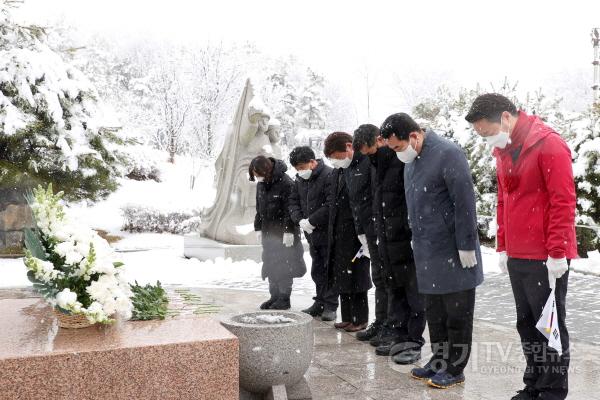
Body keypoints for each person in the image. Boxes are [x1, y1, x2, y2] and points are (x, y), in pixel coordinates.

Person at [466, 93, 577, 400]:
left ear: (505, 117)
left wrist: (557, 252)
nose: (488, 141)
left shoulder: (549, 144)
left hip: (545, 256)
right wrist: (503, 245)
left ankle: (553, 390)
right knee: (526, 324)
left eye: (487, 133)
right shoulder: (505, 150)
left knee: (549, 326)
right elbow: (504, 200)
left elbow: (563, 201)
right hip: (518, 254)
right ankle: (534, 384)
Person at [381, 113, 484, 389]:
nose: (396, 154)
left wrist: (466, 244)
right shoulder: (411, 162)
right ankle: (439, 360)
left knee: (457, 315)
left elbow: (464, 201)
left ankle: (455, 367)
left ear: (414, 136)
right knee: (435, 314)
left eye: (397, 147)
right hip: (427, 252)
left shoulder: (448, 153)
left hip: (453, 250)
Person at [354, 124, 425, 364]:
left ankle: (412, 340)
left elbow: (408, 200)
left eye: (372, 150)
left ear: (380, 141)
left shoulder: (401, 160)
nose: (371, 155)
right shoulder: (378, 165)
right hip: (386, 238)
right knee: (394, 289)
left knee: (412, 293)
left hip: (405, 238)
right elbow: (377, 201)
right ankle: (397, 333)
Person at [325, 127, 386, 340]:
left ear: (349, 147)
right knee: (343, 276)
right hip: (343, 231)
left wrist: (366, 230)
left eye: (336, 157)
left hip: (360, 231)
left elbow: (369, 197)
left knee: (358, 277)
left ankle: (361, 319)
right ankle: (348, 316)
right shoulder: (343, 170)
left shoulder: (366, 162)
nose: (336, 162)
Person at [250, 155, 307, 310]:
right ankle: (274, 296)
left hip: (284, 233)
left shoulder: (286, 183)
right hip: (269, 232)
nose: (258, 178)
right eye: (255, 175)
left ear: (267, 170)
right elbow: (259, 209)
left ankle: (284, 298)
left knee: (284, 265)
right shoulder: (261, 185)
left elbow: (291, 209)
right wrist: (258, 227)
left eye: (259, 174)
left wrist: (289, 231)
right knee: (270, 263)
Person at [288, 146, 338, 321]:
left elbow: (331, 204)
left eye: (302, 167)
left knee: (329, 269)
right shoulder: (300, 180)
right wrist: (299, 220)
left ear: (312, 162)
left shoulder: (329, 175)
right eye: (297, 169)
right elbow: (293, 202)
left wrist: (312, 220)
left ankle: (331, 305)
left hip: (328, 233)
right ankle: (320, 301)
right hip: (312, 234)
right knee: (317, 269)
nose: (300, 172)